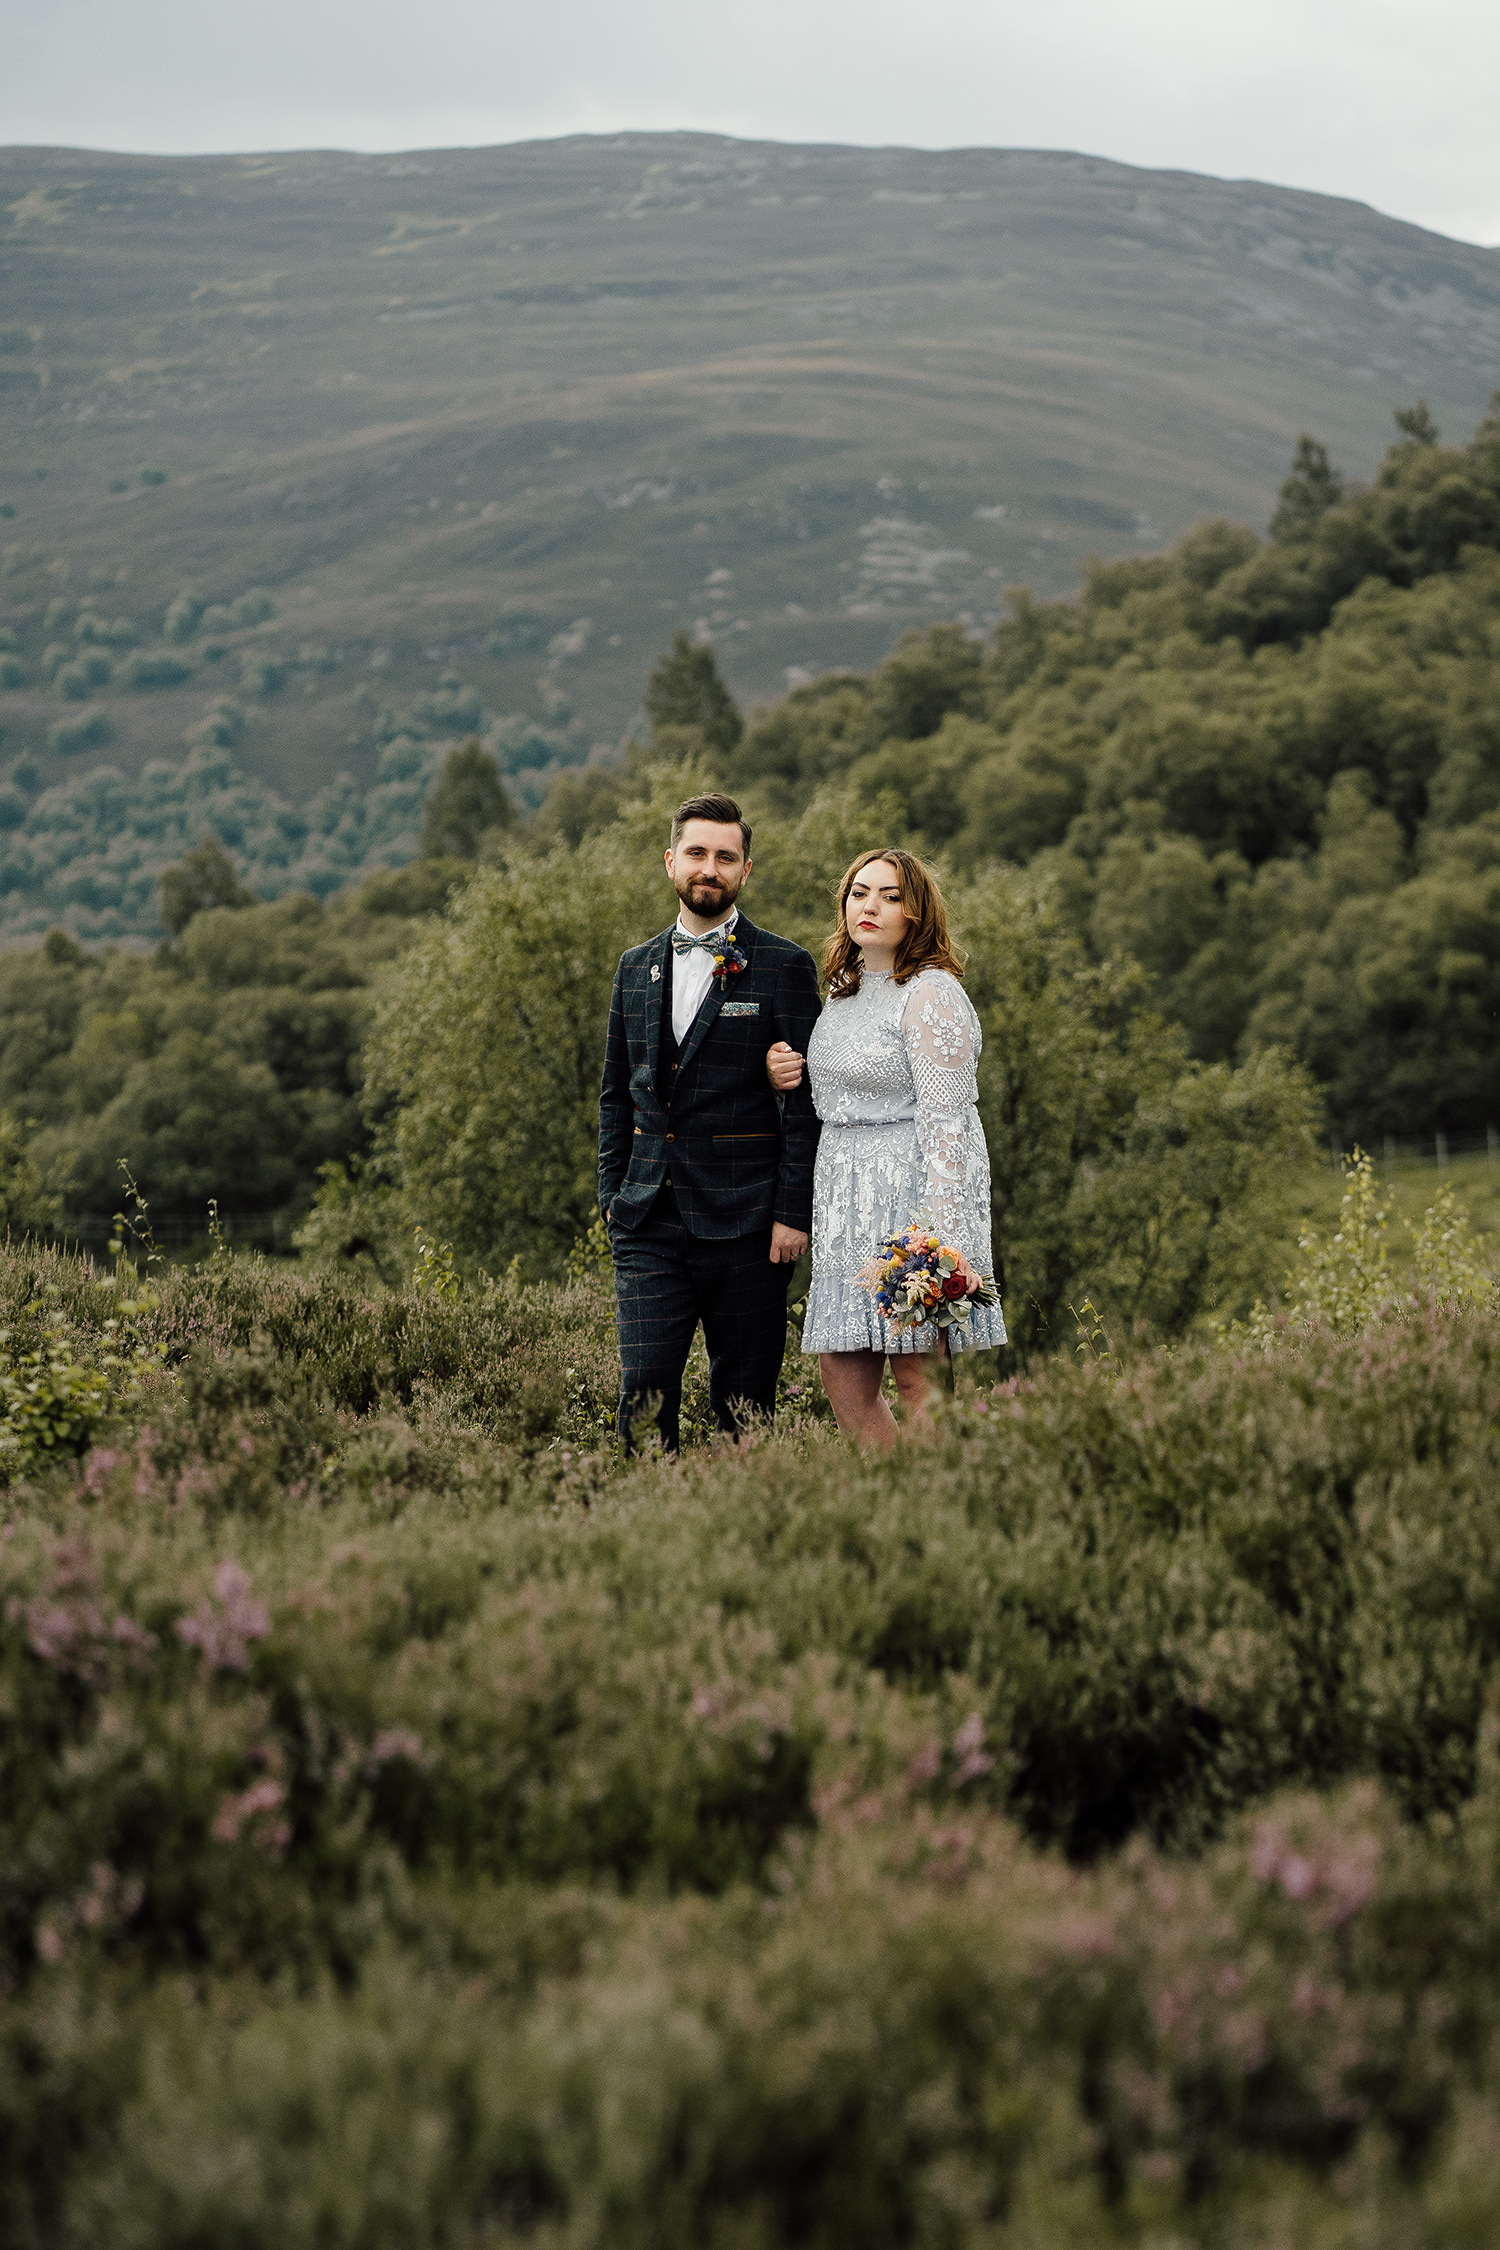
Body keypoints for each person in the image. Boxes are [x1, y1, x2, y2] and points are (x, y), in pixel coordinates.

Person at [598, 792, 822, 1451]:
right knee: (642, 1393)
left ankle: (742, 1535)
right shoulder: (633, 968)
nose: (710, 868)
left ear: (745, 870)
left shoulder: (784, 965)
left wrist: (792, 1211)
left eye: (726, 857)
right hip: (646, 1219)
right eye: (697, 853)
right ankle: (648, 1533)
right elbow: (615, 1094)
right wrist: (611, 1197)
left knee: (745, 1406)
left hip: (749, 1223)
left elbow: (810, 1102)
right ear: (671, 862)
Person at [767, 848, 1005, 1448]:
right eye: (859, 892)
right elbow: (833, 1088)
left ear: (916, 913)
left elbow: (949, 1124)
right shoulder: (843, 993)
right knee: (843, 1378)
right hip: (843, 1202)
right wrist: (782, 1071)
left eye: (891, 896)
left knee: (918, 1378)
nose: (870, 906)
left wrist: (941, 1245)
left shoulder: (931, 992)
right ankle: (892, 1512)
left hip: (909, 1204)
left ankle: (944, 1514)